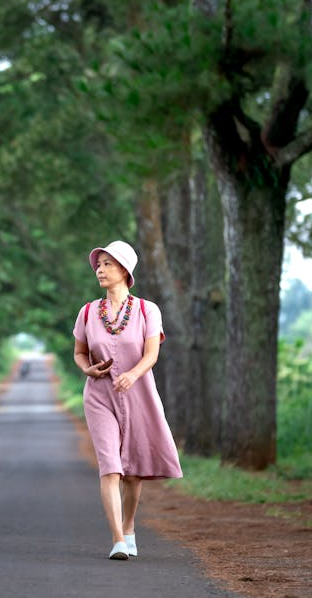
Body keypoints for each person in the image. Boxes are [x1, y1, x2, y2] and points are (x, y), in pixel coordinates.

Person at [72, 240, 182, 560]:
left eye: (107, 264)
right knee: (111, 468)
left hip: (138, 395)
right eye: (98, 265)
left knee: (133, 474)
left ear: (124, 270)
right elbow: (79, 353)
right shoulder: (89, 311)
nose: (100, 269)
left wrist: (133, 375)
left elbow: (152, 354)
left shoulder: (148, 310)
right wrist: (87, 369)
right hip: (99, 396)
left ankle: (130, 526)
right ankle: (118, 539)